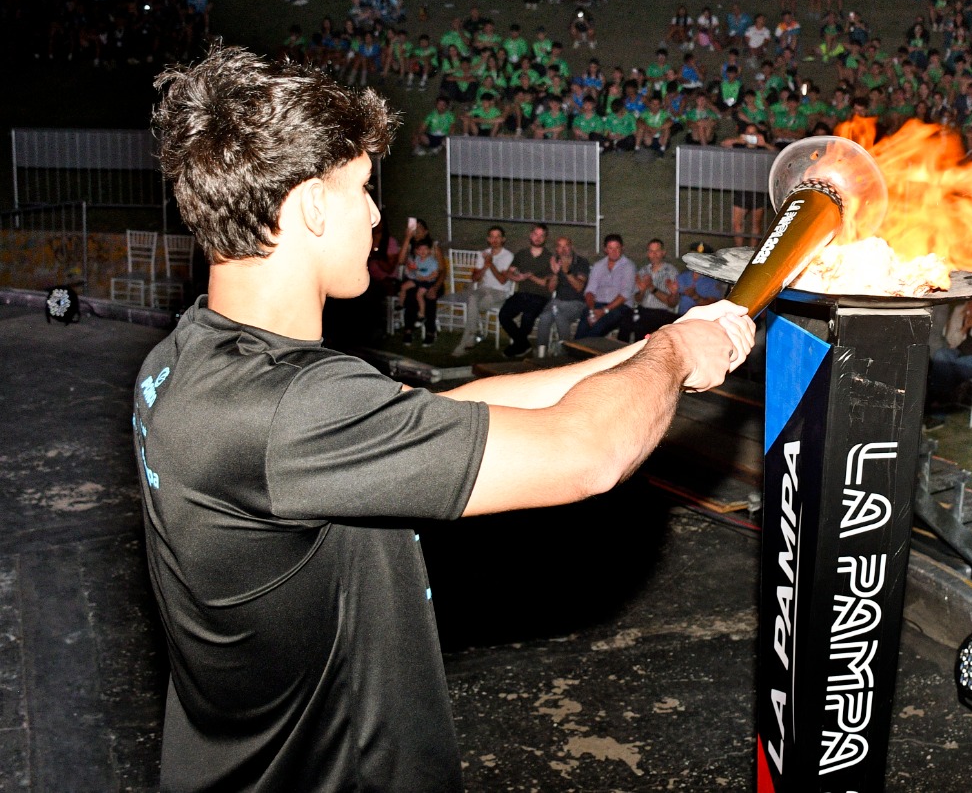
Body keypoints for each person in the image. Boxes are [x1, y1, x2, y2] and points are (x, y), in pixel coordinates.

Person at [136, 48, 753, 790]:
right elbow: (589, 451)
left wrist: (659, 342)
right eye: (362, 189)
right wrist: (676, 359)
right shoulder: (291, 408)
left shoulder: (188, 361)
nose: (376, 214)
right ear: (313, 207)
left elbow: (444, 413)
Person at [927, 297, 972, 418]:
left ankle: (939, 412)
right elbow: (951, 340)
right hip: (958, 354)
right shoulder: (959, 310)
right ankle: (944, 402)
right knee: (941, 355)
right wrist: (964, 328)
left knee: (947, 370)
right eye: (970, 302)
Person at [449, 225, 515, 357]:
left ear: (503, 239)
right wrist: (485, 266)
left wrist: (491, 264)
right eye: (492, 237)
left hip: (500, 292)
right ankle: (472, 333)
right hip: (484, 289)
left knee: (475, 304)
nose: (495, 240)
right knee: (472, 298)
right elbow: (474, 278)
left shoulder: (508, 256)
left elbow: (502, 280)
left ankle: (467, 340)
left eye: (498, 237)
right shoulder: (483, 254)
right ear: (488, 239)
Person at [498, 224, 553, 359]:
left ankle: (518, 345)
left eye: (541, 235)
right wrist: (517, 277)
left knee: (527, 316)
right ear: (530, 235)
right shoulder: (522, 254)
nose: (538, 238)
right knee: (504, 315)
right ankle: (523, 344)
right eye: (535, 234)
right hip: (522, 293)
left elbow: (545, 283)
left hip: (540, 295)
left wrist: (530, 276)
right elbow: (509, 273)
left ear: (545, 238)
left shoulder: (550, 257)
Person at [535, 236, 590, 355]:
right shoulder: (555, 262)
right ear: (556, 249)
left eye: (566, 246)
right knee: (544, 317)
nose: (563, 250)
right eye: (560, 247)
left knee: (560, 316)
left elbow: (579, 287)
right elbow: (551, 289)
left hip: (576, 303)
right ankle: (541, 354)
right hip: (558, 301)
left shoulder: (581, 262)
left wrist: (566, 272)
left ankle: (564, 353)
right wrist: (555, 274)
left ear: (571, 247)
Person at [576, 234, 638, 340]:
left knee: (596, 329)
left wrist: (603, 311)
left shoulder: (628, 266)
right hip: (597, 304)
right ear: (605, 250)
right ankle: (576, 348)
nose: (614, 251)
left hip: (619, 307)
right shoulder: (598, 265)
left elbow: (625, 294)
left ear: (622, 248)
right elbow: (590, 290)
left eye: (617, 248)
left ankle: (588, 348)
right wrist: (592, 310)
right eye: (610, 248)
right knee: (583, 327)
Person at [632, 238, 681, 337]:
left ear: (663, 252)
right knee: (626, 322)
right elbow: (637, 300)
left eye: (657, 251)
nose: (654, 254)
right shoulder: (643, 271)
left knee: (647, 325)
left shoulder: (671, 272)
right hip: (643, 311)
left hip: (662, 313)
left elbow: (672, 303)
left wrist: (651, 287)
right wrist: (642, 291)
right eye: (651, 251)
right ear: (647, 254)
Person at [398, 234, 441, 346]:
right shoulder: (416, 257)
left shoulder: (432, 259)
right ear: (416, 251)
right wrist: (411, 269)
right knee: (406, 289)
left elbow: (437, 273)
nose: (422, 251)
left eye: (425, 249)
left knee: (423, 296)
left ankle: (424, 319)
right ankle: (401, 306)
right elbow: (409, 266)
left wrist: (430, 282)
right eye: (420, 249)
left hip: (428, 282)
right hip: (417, 280)